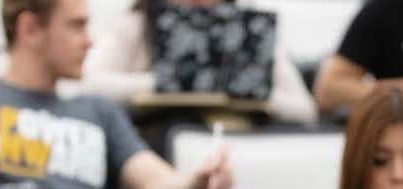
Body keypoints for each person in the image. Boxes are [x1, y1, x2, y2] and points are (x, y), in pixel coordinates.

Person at [0, 0, 234, 189]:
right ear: (29, 28)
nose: (89, 41)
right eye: (77, 26)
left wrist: (195, 182)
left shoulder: (98, 110)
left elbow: (156, 183)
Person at [81, 0, 317, 127]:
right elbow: (90, 82)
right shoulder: (140, 24)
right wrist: (170, 82)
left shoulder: (249, 34)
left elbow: (304, 109)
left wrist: (246, 90)